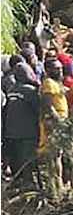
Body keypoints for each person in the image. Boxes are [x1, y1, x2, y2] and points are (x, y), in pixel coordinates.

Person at [3, 56, 40, 187]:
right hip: (28, 131)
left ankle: (19, 180)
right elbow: (38, 109)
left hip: (12, 131)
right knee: (28, 158)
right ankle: (28, 182)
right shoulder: (30, 91)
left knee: (17, 157)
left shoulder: (12, 90)